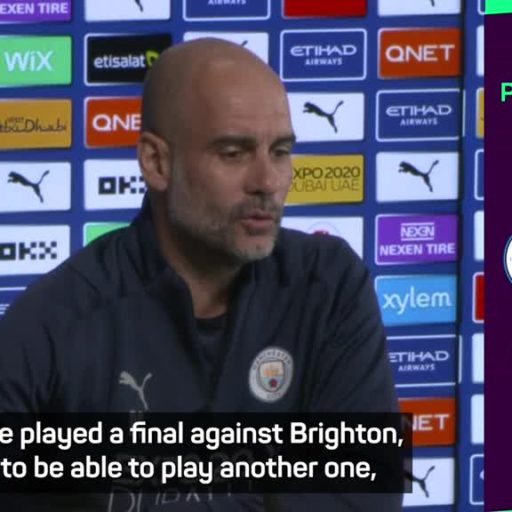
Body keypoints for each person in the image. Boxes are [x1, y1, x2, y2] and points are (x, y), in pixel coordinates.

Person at [0, 39, 401, 510]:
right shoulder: (52, 326)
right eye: (233, 153)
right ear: (156, 162)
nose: (268, 182)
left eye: (280, 152)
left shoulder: (329, 287)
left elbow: (363, 496)